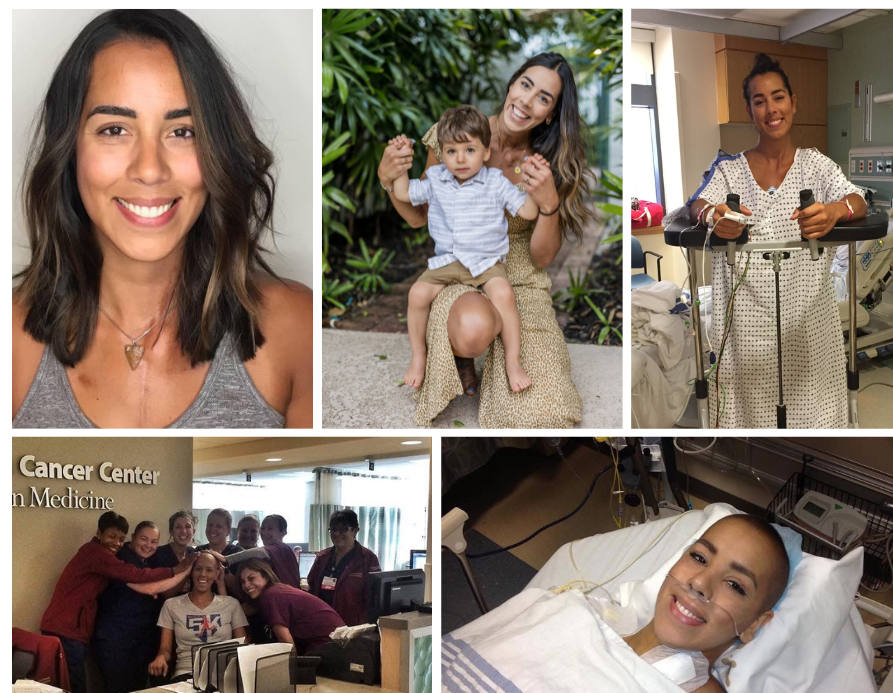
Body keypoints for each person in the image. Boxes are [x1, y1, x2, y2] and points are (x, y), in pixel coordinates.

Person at [12, 9, 312, 428]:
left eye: (182, 131)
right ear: (69, 150)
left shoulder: (297, 328)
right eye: (114, 129)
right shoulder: (10, 336)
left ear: (217, 152)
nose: (150, 169)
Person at [377, 52, 592, 427]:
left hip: (519, 277)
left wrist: (548, 202)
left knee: (545, 412)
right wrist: (389, 178)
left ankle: (505, 361)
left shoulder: (547, 162)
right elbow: (417, 215)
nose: (527, 100)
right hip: (457, 268)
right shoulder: (456, 133)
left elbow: (542, 258)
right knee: (472, 330)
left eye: (543, 97)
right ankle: (462, 352)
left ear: (551, 113)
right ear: (511, 85)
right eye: (525, 85)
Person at [686, 53, 867, 428]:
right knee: (752, 426)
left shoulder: (816, 166)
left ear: (793, 102)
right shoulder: (728, 170)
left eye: (778, 96)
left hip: (808, 324)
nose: (771, 108)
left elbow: (858, 200)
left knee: (815, 420)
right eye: (759, 100)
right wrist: (713, 217)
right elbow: (696, 204)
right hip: (746, 333)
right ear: (749, 110)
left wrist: (833, 212)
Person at [390, 105, 542, 393]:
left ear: (486, 152)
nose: (460, 159)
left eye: (469, 150)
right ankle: (418, 357)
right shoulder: (436, 179)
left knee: (504, 294)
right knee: (417, 294)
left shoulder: (496, 182)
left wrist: (534, 188)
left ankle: (513, 361)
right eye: (451, 151)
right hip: (448, 261)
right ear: (442, 152)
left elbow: (527, 211)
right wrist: (400, 167)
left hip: (486, 262)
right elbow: (403, 193)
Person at [623, 515, 790, 693]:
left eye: (735, 585)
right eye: (699, 557)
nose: (699, 583)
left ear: (753, 624)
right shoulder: (582, 618)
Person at [39, 511, 195, 693]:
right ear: (99, 533)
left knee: (84, 687)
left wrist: (166, 580)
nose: (116, 543)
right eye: (112, 536)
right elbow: (138, 578)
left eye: (120, 539)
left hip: (79, 630)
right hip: (69, 628)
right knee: (75, 690)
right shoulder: (97, 553)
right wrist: (179, 569)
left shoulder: (113, 557)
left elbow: (145, 586)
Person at [148, 552, 249, 681]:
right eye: (198, 569)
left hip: (223, 674)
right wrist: (160, 657)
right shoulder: (171, 605)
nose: (203, 574)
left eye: (209, 570)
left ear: (217, 574)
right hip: (186, 674)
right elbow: (165, 649)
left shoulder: (231, 604)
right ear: (190, 571)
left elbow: (242, 645)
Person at [92, 520, 164, 693]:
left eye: (153, 542)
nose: (148, 545)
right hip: (115, 642)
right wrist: (184, 568)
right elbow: (147, 587)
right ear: (132, 538)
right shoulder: (122, 559)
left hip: (136, 643)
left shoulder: (146, 562)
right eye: (144, 539)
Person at [239, 559, 344, 655]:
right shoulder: (276, 590)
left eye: (251, 578)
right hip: (338, 641)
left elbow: (287, 644)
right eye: (243, 582)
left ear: (266, 576)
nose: (247, 585)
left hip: (329, 646)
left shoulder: (270, 596)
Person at [307, 509, 381, 626]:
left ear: (355, 531)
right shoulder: (322, 557)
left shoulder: (367, 558)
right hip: (323, 622)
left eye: (343, 530)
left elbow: (374, 597)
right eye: (333, 530)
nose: (337, 534)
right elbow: (312, 588)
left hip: (352, 626)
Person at [259, 514, 301, 588]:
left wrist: (231, 559)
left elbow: (258, 552)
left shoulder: (280, 548)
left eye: (270, 528)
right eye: (262, 528)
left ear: (283, 532)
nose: (264, 532)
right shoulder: (286, 549)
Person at [151, 510, 197, 574]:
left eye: (187, 526)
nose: (183, 531)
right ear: (171, 532)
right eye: (178, 527)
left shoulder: (193, 553)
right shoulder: (157, 554)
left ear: (193, 531)